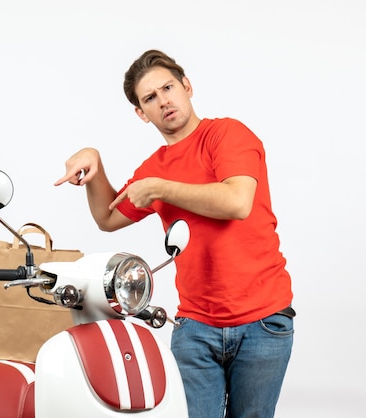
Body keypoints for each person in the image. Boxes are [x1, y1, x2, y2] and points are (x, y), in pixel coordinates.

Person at [55, 49, 294, 418]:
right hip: (195, 326)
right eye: (150, 97)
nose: (163, 100)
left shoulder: (227, 134)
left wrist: (160, 189)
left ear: (187, 86)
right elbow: (107, 217)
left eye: (168, 87)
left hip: (262, 321)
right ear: (141, 113)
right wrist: (95, 163)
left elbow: (236, 202)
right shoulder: (154, 169)